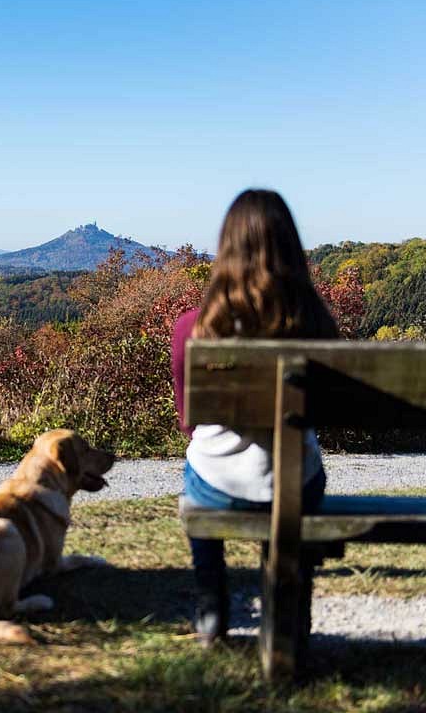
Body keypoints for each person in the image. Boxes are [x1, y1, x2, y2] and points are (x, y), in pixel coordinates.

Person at [171, 189, 339, 645]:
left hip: (216, 484)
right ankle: (289, 614)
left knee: (197, 472)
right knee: (295, 486)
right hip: (295, 484)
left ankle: (211, 608)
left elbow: (188, 420)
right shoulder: (317, 326)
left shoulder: (192, 328)